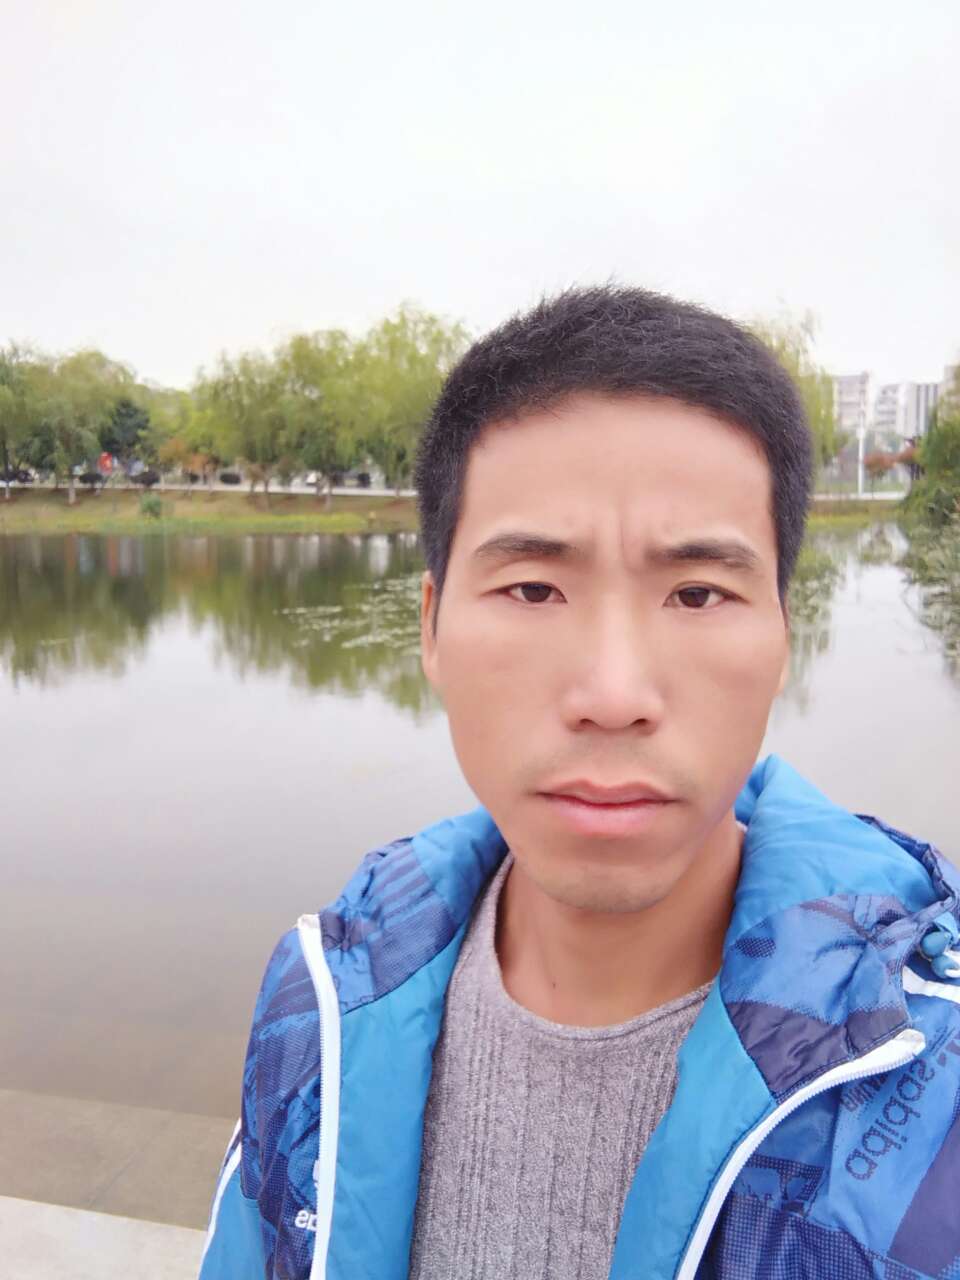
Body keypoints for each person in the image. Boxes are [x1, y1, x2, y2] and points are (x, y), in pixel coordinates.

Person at [199, 286, 960, 1280]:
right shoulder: (327, 1009)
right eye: (532, 587)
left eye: (698, 592)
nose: (613, 694)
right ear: (430, 626)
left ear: (783, 633)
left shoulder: (930, 1067)